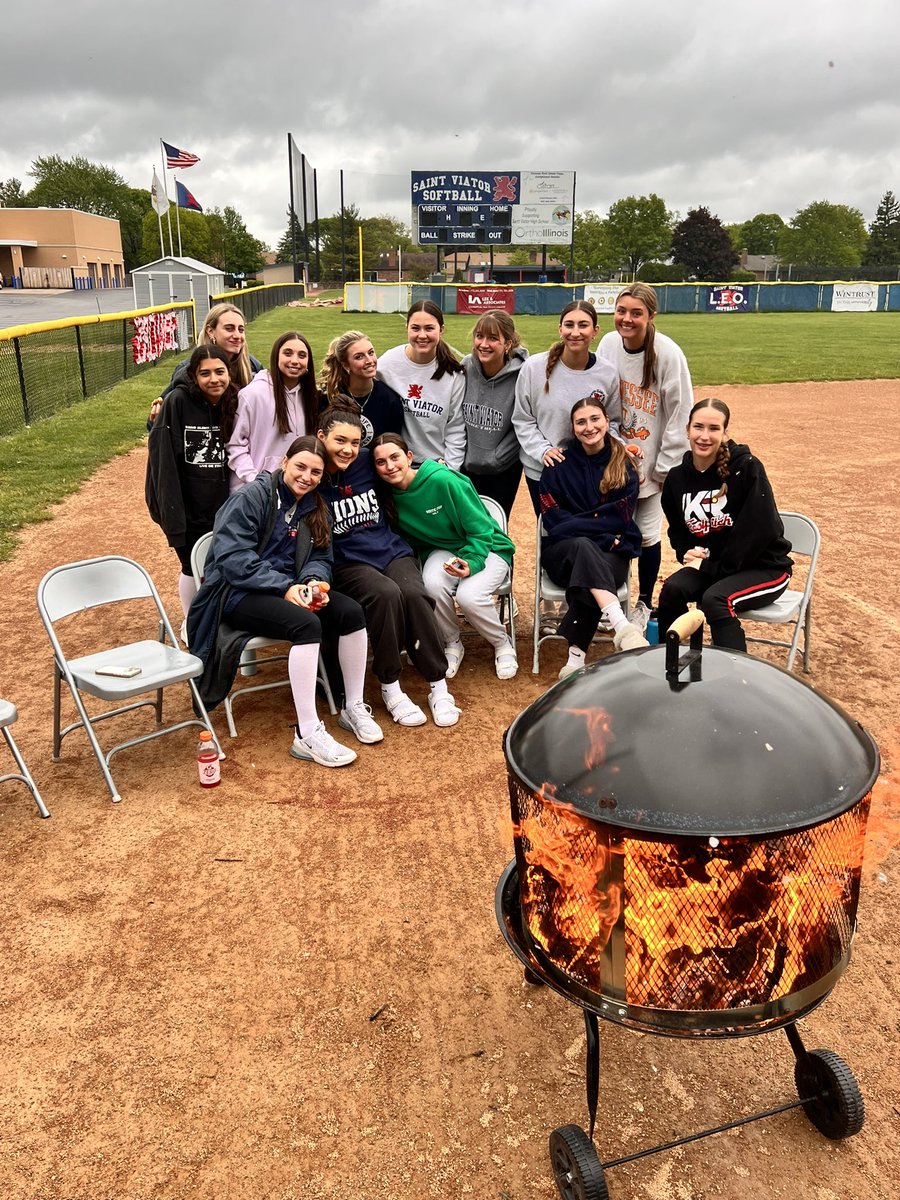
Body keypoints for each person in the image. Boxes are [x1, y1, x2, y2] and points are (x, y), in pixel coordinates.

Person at [186, 436, 383, 768]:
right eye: (301, 467)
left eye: (316, 472)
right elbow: (234, 559)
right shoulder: (251, 497)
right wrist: (284, 588)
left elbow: (321, 555)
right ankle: (307, 733)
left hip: (287, 588)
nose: (307, 476)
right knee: (306, 625)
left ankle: (353, 706)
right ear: (284, 463)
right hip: (236, 594)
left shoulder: (315, 504)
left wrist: (312, 582)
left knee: (350, 612)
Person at [316, 401, 460, 728]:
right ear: (321, 436)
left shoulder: (368, 462)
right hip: (348, 563)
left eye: (355, 442)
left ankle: (437, 685)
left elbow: (406, 472)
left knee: (412, 593)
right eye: (340, 441)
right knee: (385, 595)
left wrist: (440, 475)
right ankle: (390, 686)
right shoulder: (314, 471)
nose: (349, 450)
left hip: (391, 551)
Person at [372, 432, 518, 681]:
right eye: (381, 462)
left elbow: (481, 528)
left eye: (394, 457)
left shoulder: (443, 480)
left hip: (488, 546)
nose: (389, 466)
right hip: (443, 549)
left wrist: (472, 561)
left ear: (408, 457)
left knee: (469, 597)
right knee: (430, 585)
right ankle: (452, 642)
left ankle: (502, 643)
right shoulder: (387, 497)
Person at [658, 398, 793, 651]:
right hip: (715, 567)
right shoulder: (677, 478)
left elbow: (762, 531)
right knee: (672, 590)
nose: (704, 436)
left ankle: (733, 677)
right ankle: (670, 663)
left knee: (715, 600)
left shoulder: (746, 468)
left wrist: (711, 567)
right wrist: (685, 550)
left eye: (714, 428)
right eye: (698, 427)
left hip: (765, 568)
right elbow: (677, 527)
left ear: (724, 432)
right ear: (687, 429)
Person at [598, 283, 694, 631]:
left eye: (636, 313)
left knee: (649, 534)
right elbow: (602, 398)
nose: (626, 318)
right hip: (612, 457)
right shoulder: (609, 343)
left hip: (651, 462)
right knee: (614, 528)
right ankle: (614, 603)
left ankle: (644, 603)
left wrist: (663, 468)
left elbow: (681, 414)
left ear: (651, 316)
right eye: (622, 311)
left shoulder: (668, 354)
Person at [539, 396, 647, 679]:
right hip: (563, 554)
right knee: (584, 548)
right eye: (581, 422)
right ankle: (621, 625)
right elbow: (554, 521)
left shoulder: (623, 463)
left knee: (587, 566)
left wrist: (584, 528)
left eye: (595, 419)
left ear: (607, 422)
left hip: (611, 555)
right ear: (573, 428)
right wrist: (603, 536)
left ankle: (575, 658)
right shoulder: (557, 464)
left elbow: (620, 517)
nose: (589, 427)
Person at [145, 345, 235, 620]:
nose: (214, 379)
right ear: (194, 376)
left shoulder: (235, 400)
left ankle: (217, 620)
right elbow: (163, 465)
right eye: (204, 373)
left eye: (220, 372)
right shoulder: (177, 402)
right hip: (187, 507)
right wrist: (173, 519)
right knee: (191, 566)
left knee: (221, 566)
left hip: (222, 505)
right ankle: (192, 622)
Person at [512, 299, 620, 515]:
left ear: (595, 331)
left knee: (586, 532)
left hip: (589, 470)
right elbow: (523, 419)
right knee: (551, 534)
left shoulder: (607, 372)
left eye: (583, 325)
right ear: (560, 329)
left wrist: (618, 450)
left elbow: (613, 421)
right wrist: (543, 451)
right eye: (569, 325)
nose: (575, 332)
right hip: (543, 470)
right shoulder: (534, 368)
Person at [376, 300, 466, 470]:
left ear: (442, 329)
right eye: (415, 328)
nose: (422, 335)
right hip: (395, 466)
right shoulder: (388, 364)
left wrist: (450, 471)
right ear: (407, 328)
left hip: (435, 466)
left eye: (429, 328)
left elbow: (455, 429)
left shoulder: (454, 375)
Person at [226, 331, 319, 492]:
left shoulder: (310, 397)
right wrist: (255, 481)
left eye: (302, 355)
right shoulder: (253, 394)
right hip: (253, 491)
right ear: (276, 355)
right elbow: (235, 445)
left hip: (291, 491)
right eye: (288, 353)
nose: (295, 361)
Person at [147, 302, 263, 427]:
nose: (237, 336)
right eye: (229, 328)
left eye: (241, 330)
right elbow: (157, 421)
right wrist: (158, 407)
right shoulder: (187, 369)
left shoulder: (252, 366)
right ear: (210, 331)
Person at [461, 310, 528, 519]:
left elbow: (524, 422)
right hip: (467, 467)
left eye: (493, 338)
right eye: (479, 336)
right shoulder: (466, 366)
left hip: (503, 470)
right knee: (465, 524)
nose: (483, 344)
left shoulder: (522, 374)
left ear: (507, 344)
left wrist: (497, 458)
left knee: (496, 526)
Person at [319, 330, 405, 446]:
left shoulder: (390, 400)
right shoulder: (328, 396)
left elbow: (392, 445)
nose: (369, 361)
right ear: (345, 365)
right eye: (359, 357)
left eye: (371, 353)